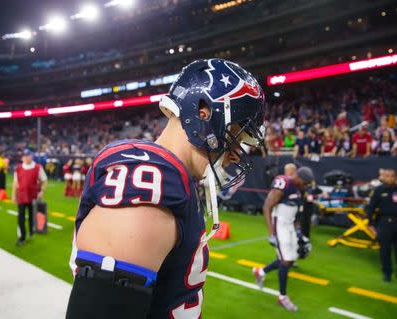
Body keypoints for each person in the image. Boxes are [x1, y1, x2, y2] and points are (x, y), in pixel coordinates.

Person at [65, 59, 265, 319]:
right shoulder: (149, 179)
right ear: (203, 113)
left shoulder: (177, 179)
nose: (236, 155)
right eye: (236, 134)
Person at [253, 166, 314, 311]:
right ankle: (282, 297)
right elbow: (267, 207)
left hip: (290, 226)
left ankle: (260, 272)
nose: (306, 186)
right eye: (305, 183)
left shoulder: (300, 189)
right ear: (299, 178)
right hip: (279, 225)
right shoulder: (284, 183)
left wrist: (298, 232)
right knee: (286, 261)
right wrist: (271, 233)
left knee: (291, 258)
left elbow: (296, 214)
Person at [367, 169, 397, 284]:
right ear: (383, 178)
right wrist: (371, 225)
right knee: (385, 250)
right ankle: (387, 273)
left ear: (396, 177)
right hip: (385, 224)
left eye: (392, 176)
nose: (390, 178)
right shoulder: (379, 190)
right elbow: (370, 209)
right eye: (387, 176)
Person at [11, 149, 48, 246]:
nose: (27, 157)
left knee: (32, 216)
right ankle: (22, 237)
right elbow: (15, 183)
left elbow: (44, 180)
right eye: (25, 156)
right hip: (22, 196)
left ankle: (31, 231)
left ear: (32, 156)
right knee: (21, 217)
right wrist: (13, 195)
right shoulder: (18, 168)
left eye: (29, 155)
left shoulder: (38, 167)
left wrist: (42, 191)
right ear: (22, 157)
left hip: (33, 197)